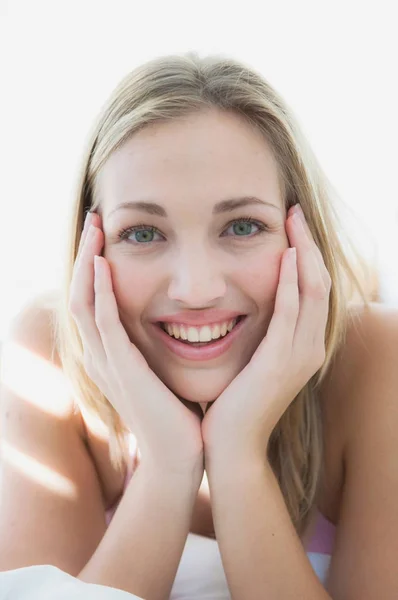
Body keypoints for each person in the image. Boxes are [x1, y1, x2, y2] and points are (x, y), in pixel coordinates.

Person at [0, 51, 397, 600]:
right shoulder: (49, 361)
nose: (195, 289)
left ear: (302, 239)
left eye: (241, 225)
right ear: (90, 248)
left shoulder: (376, 359)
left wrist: (237, 458)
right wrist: (167, 466)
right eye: (142, 233)